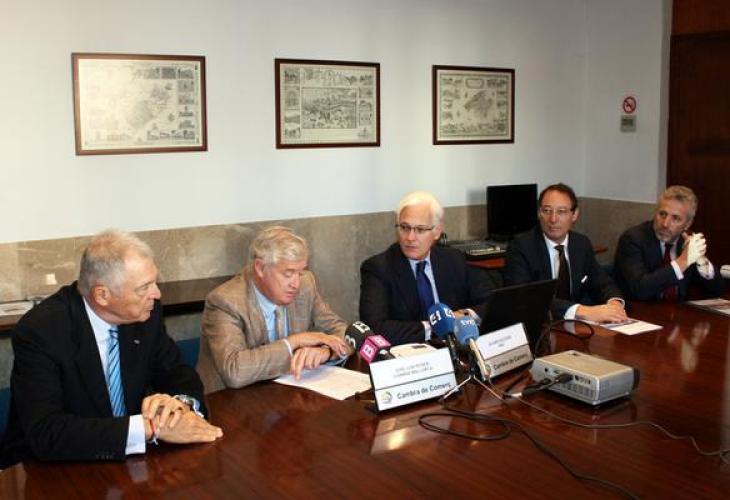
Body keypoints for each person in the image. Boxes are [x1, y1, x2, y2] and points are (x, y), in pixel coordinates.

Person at [0, 230, 222, 469]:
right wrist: (149, 428)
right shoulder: (41, 331)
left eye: (154, 282)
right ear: (102, 295)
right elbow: (47, 432)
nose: (156, 294)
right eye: (144, 287)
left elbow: (177, 372)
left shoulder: (145, 314)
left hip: (128, 464)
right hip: (46, 470)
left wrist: (179, 406)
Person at [196, 226, 349, 393]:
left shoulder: (306, 285)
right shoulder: (225, 301)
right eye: (288, 274)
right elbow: (234, 371)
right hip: (230, 399)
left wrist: (326, 351)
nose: (296, 284)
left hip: (288, 393)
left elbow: (346, 332)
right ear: (260, 268)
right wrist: (293, 342)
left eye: (300, 273)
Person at [359, 191, 492, 345]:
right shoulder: (378, 268)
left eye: (420, 230)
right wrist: (436, 327)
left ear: (437, 231)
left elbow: (490, 302)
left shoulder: (454, 259)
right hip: (411, 353)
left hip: (458, 347)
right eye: (404, 227)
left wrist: (463, 316)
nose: (410, 237)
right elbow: (374, 327)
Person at [503, 183, 627, 323]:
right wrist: (580, 311)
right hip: (539, 325)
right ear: (539, 213)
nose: (553, 219)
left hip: (574, 326)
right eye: (547, 211)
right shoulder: (521, 247)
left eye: (561, 211)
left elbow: (601, 282)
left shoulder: (581, 244)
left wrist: (614, 303)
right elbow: (524, 296)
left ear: (574, 215)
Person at [614, 185, 724, 301]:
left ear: (688, 224)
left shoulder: (687, 241)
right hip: (638, 309)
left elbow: (717, 290)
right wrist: (683, 261)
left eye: (676, 218)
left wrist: (701, 260)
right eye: (662, 214)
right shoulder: (633, 239)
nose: (665, 224)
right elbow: (640, 289)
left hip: (676, 310)